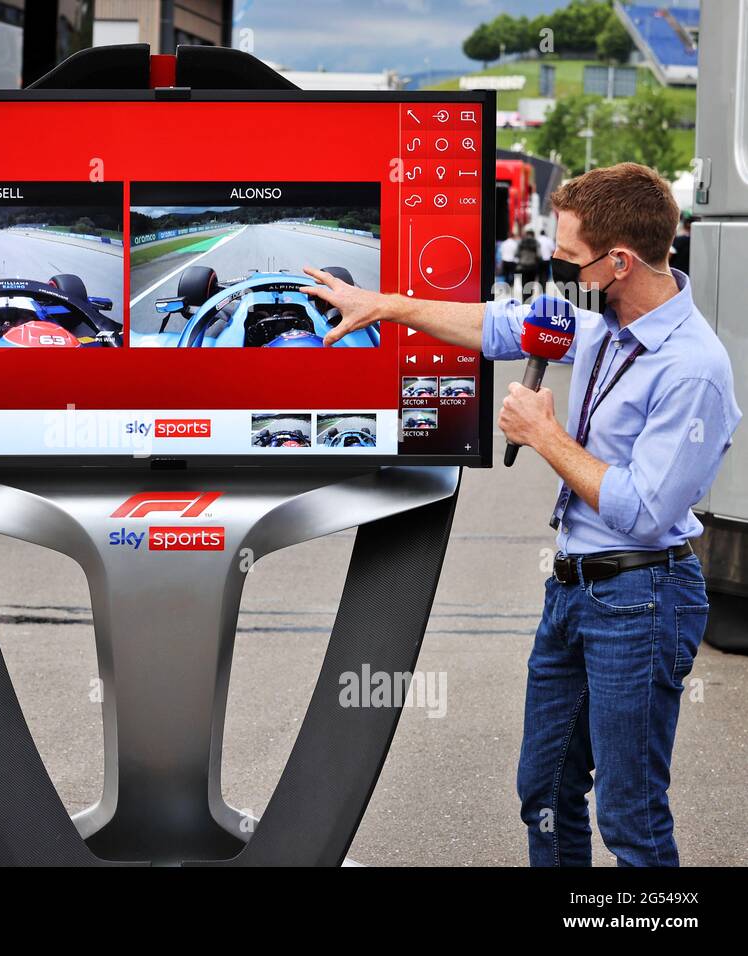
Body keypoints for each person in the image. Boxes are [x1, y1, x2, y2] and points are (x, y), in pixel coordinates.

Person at [302, 162, 741, 866]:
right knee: (542, 792)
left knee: (629, 814)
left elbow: (647, 510)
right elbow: (496, 325)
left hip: (643, 597)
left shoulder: (693, 368)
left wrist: (544, 435)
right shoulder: (598, 323)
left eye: (571, 258)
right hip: (572, 591)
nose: (560, 269)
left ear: (619, 261)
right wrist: (384, 304)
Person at [516, 225, 542, 292]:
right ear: (533, 234)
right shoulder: (536, 242)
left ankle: (524, 300)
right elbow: (539, 255)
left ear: (526, 233)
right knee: (530, 286)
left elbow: (517, 254)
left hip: (523, 267)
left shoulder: (521, 242)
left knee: (524, 285)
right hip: (532, 267)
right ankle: (529, 300)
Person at [670, 213, 692, 278]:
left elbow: (669, 255)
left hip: (677, 275)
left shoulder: (679, 240)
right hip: (690, 275)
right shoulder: (698, 241)